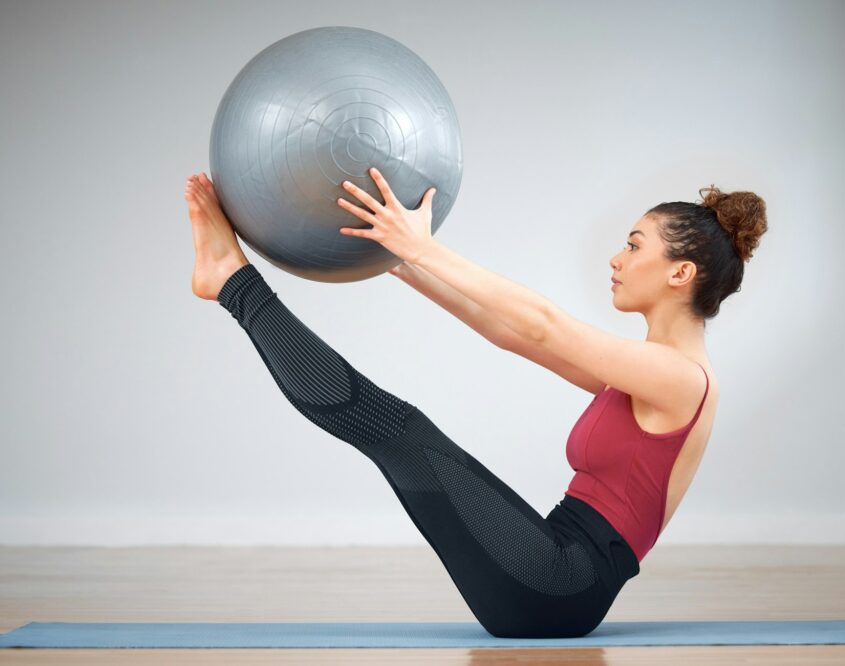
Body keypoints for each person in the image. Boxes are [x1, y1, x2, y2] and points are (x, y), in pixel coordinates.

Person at [182, 169, 767, 638]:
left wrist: (422, 247)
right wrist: (394, 257)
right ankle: (232, 282)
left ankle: (233, 282)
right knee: (401, 436)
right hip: (552, 571)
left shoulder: (681, 379)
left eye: (634, 246)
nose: (616, 258)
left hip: (559, 586)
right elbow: (507, 332)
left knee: (401, 433)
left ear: (680, 273)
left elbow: (543, 325)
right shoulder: (647, 375)